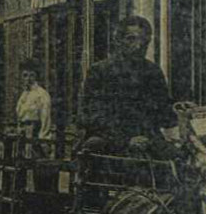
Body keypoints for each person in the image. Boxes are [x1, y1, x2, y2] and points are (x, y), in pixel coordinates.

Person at [78, 15, 177, 152]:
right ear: (118, 41)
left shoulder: (153, 71)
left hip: (147, 140)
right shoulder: (101, 71)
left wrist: (185, 112)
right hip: (111, 141)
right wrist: (125, 140)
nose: (138, 46)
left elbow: (165, 114)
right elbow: (92, 117)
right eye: (131, 39)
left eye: (144, 40)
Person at [14, 60, 54, 141]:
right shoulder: (24, 94)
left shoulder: (42, 94)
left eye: (31, 75)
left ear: (36, 77)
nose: (28, 79)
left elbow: (45, 119)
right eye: (25, 75)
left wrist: (43, 138)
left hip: (34, 135)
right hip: (22, 134)